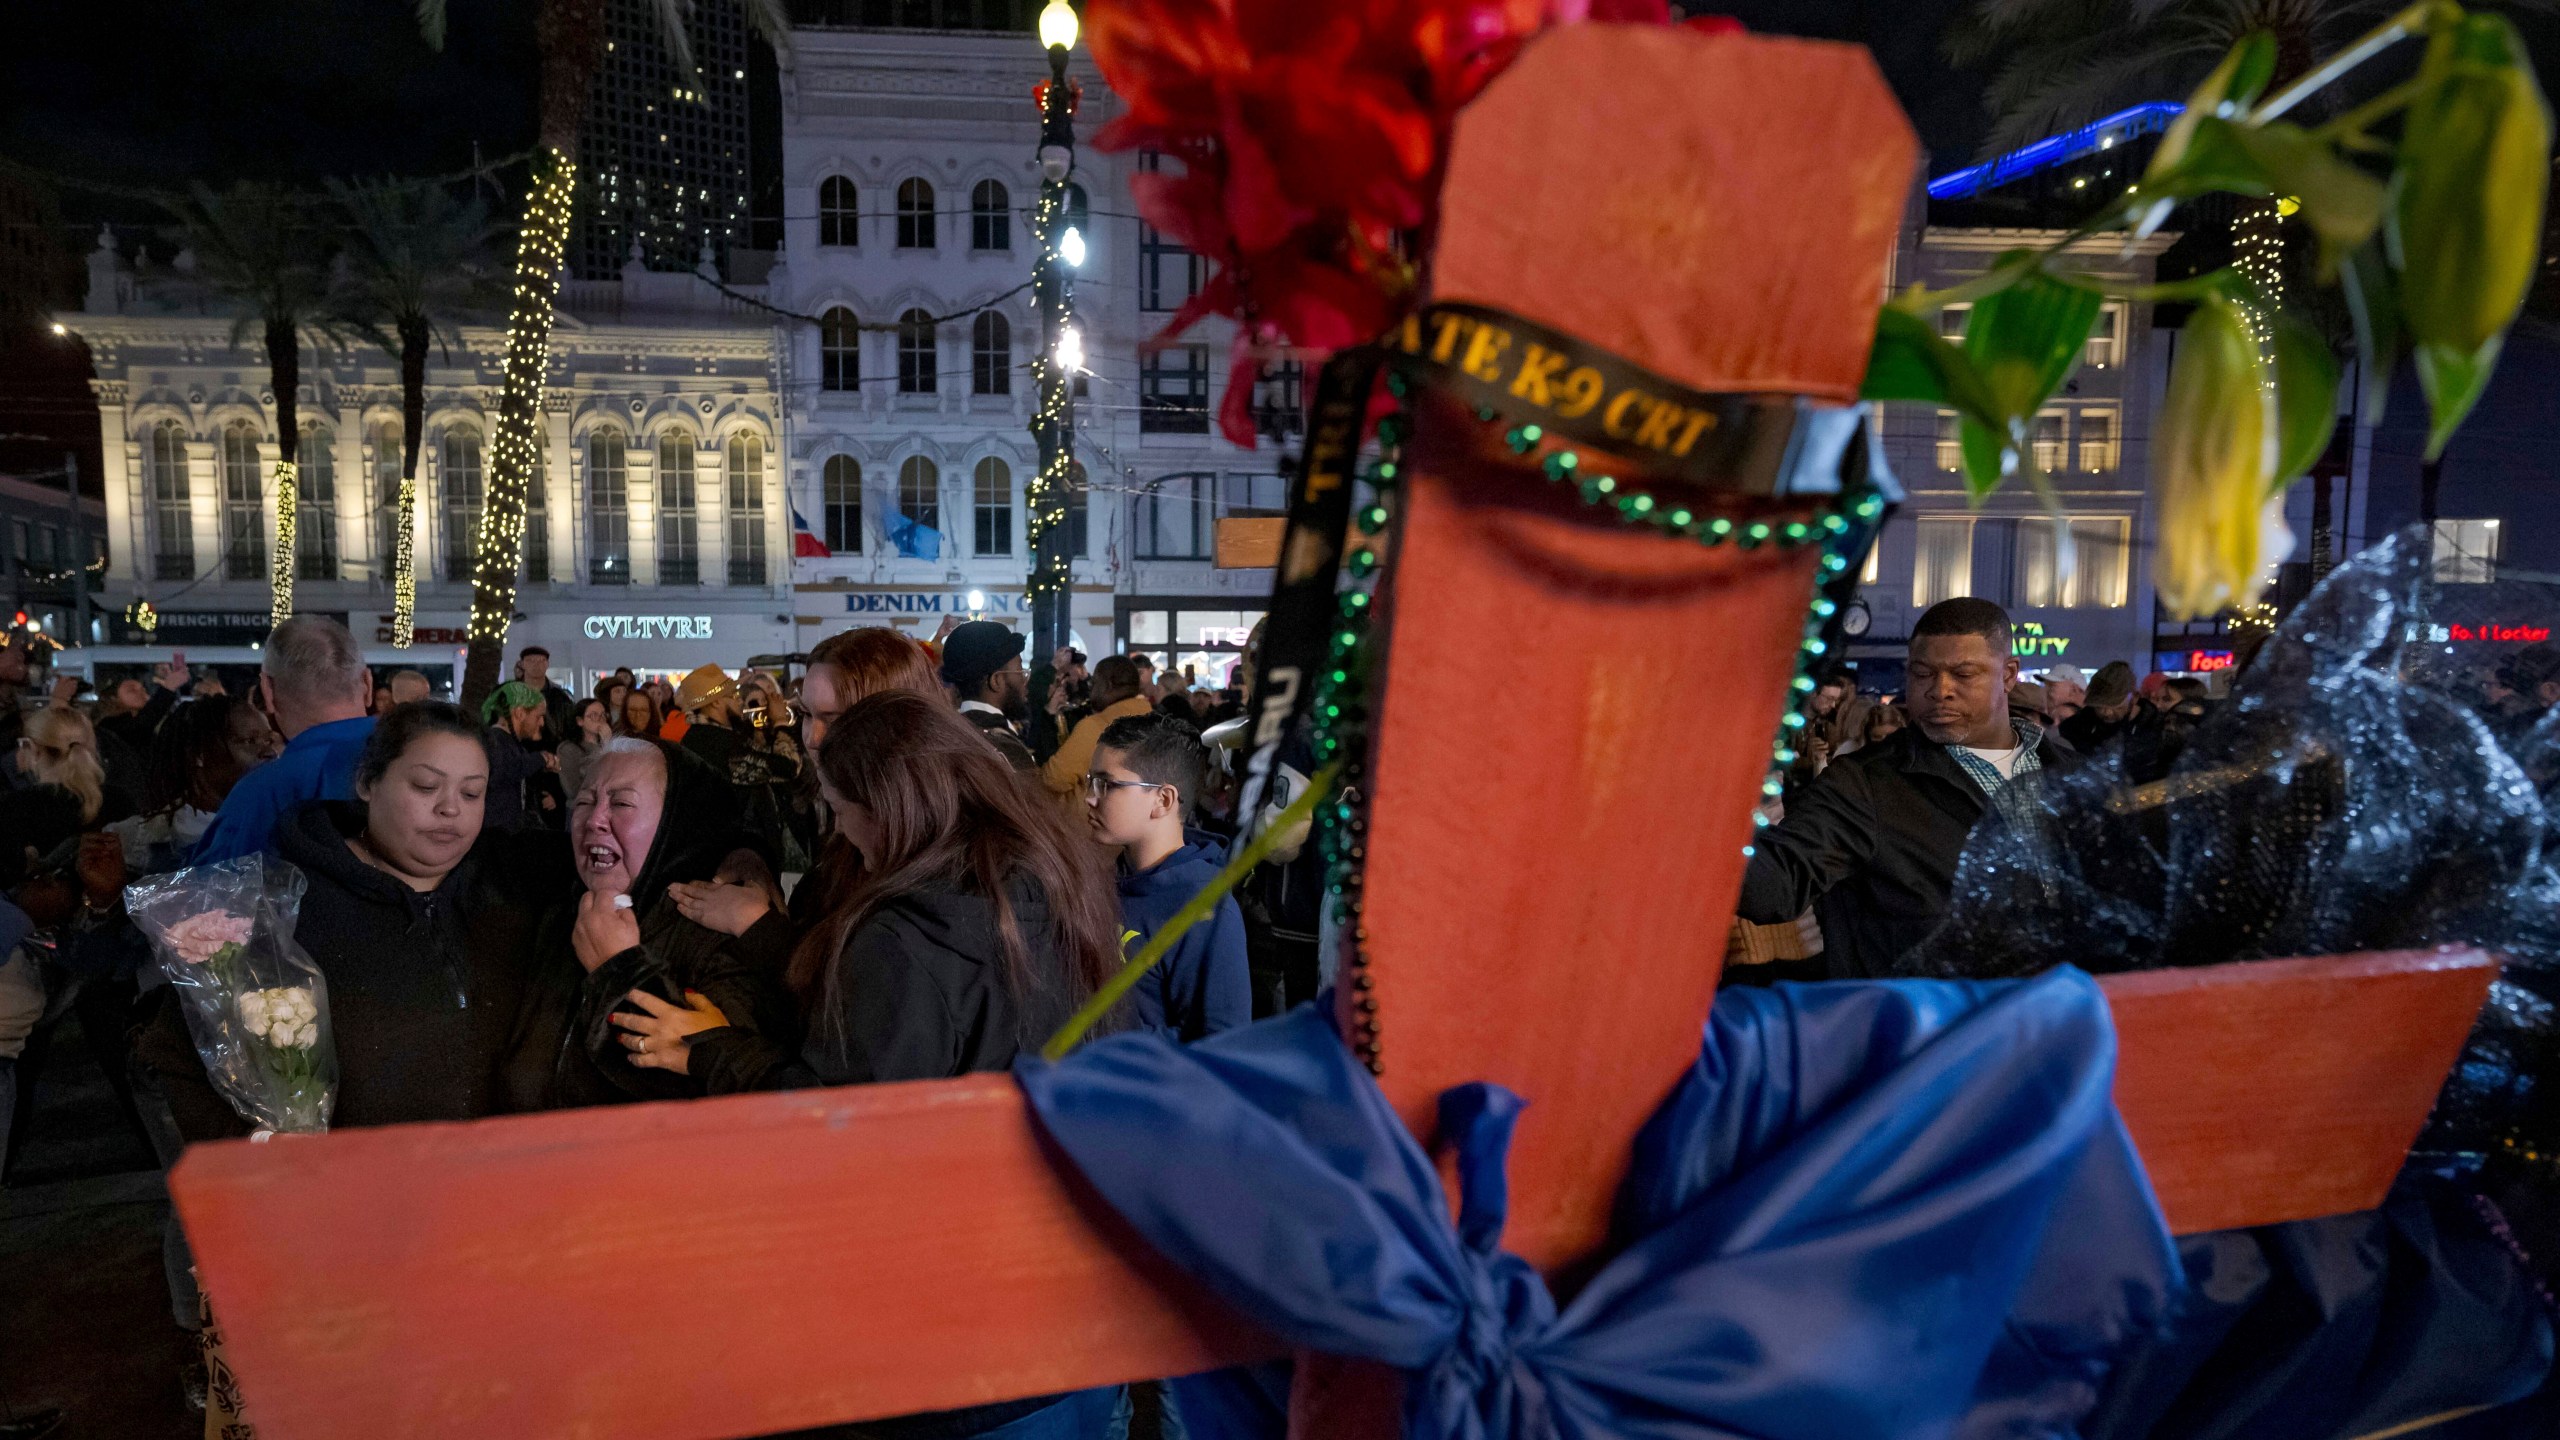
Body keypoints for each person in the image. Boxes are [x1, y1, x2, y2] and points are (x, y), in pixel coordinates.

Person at [617, 690, 1116, 1093]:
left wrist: (713, 1048)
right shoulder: (1043, 874)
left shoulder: (906, 934)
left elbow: (844, 1110)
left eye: (839, 809)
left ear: (887, 809)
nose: (841, 832)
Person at [136, 703, 576, 1138]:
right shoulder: (285, 903)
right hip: (351, 1194)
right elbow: (178, 1053)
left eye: (471, 792)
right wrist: (259, 1153)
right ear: (368, 783)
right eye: (426, 786)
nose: (450, 808)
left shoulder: (518, 882)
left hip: (503, 1184)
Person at [1737, 598, 2073, 979]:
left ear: (2009, 674)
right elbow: (1776, 883)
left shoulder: (2071, 773)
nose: (1940, 690)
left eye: (1963, 674)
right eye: (1923, 673)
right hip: (1929, 1026)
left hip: (2065, 1020)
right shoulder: (1865, 785)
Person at [552, 737, 788, 1106]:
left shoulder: (714, 939)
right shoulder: (554, 903)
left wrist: (618, 971)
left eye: (622, 803)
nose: (595, 819)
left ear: (674, 824)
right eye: (584, 801)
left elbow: (706, 1090)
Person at [1086, 713, 1250, 1041]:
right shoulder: (1102, 881)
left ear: (1163, 800)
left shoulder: (1206, 911)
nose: (1089, 797)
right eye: (1090, 781)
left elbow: (1220, 1044)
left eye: (1106, 784)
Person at [194, 620, 375, 864]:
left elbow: (210, 894)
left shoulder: (262, 794)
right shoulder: (428, 759)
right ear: (367, 683)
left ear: (267, 690)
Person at [111, 695, 280, 876]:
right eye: (250, 741)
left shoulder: (285, 827)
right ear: (198, 754)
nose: (270, 752)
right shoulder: (135, 842)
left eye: (269, 740)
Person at [1040, 655, 1154, 812]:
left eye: (1094, 684)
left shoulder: (1094, 727)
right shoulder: (1154, 720)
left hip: (1090, 827)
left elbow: (1052, 780)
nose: (1091, 692)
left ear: (1108, 685)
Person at [940, 620, 1037, 772]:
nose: (1025, 680)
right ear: (996, 681)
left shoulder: (948, 736)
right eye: (1020, 671)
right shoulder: (1006, 751)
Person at [479, 681, 555, 833]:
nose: (541, 723)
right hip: (497, 835)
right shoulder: (495, 741)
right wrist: (541, 758)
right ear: (519, 713)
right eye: (538, 716)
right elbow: (506, 770)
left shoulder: (511, 743)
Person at [672, 664, 745, 772]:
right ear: (716, 702)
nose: (740, 701)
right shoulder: (721, 741)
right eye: (734, 695)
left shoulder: (694, 735)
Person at [2059, 661, 2138, 753]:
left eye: (2116, 706)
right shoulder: (2073, 728)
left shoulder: (2152, 727)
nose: (2107, 712)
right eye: (2099, 706)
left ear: (2134, 697)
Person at [556, 698, 613, 802]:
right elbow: (572, 790)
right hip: (582, 808)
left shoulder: (609, 744)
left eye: (603, 714)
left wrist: (609, 744)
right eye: (594, 715)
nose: (601, 719)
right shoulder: (568, 749)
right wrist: (606, 748)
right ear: (580, 721)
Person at [516, 645, 576, 742]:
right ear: (522, 664)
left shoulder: (560, 696)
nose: (536, 665)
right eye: (530, 660)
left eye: (541, 660)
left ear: (547, 664)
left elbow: (570, 727)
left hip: (554, 749)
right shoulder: (513, 694)